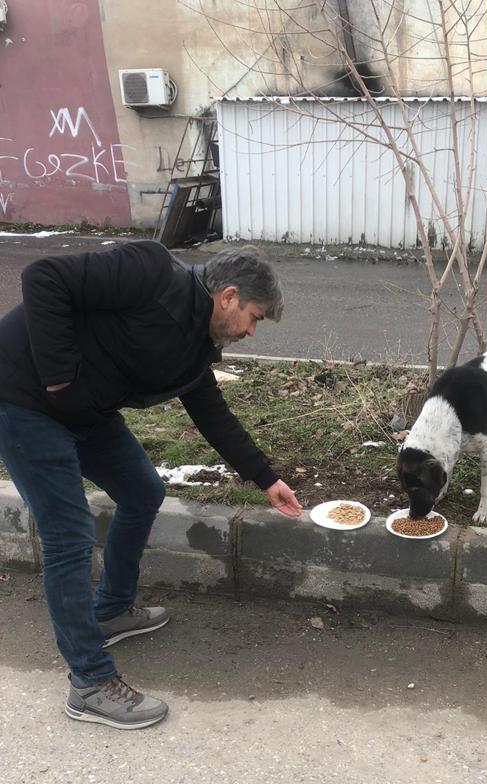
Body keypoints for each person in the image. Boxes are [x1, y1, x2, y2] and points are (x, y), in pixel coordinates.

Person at [0, 240, 302, 730]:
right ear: (228, 297)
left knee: (144, 491)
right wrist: (59, 378)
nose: (251, 330)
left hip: (85, 411)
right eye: (255, 317)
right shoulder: (150, 270)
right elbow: (43, 276)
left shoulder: (200, 344)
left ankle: (112, 610)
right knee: (68, 535)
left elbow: (210, 411)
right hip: (25, 400)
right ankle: (90, 683)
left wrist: (266, 478)